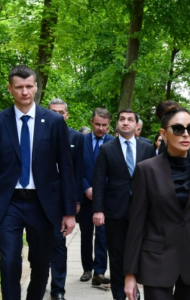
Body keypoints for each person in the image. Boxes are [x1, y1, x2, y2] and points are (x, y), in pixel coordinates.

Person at [0, 65, 76, 300]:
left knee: (42, 262)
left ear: (36, 88)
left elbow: (66, 168)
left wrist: (69, 212)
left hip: (43, 205)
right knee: (9, 260)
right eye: (19, 87)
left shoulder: (53, 122)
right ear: (10, 89)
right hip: (8, 203)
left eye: (29, 86)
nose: (25, 91)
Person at [124, 103, 190, 300]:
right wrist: (130, 274)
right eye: (178, 129)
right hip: (156, 260)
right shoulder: (146, 170)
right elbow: (136, 224)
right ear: (163, 133)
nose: (186, 134)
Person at [92, 109, 156, 300]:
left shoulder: (147, 148)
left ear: (137, 125)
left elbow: (155, 179)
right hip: (115, 211)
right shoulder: (107, 149)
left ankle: (138, 292)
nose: (125, 122)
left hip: (142, 210)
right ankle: (120, 296)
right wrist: (98, 209)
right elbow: (98, 181)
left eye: (130, 120)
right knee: (117, 257)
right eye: (122, 119)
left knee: (144, 255)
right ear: (117, 124)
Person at [47, 99, 85, 300]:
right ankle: (40, 278)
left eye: (61, 112)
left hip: (61, 200)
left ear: (67, 115)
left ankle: (58, 290)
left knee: (58, 244)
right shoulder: (38, 134)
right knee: (37, 245)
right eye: (53, 112)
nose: (58, 115)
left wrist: (75, 201)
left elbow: (78, 172)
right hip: (38, 199)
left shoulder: (77, 138)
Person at [80, 108, 113, 286]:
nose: (101, 128)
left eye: (104, 125)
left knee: (102, 235)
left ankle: (99, 271)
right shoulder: (81, 141)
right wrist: (86, 188)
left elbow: (115, 171)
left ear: (109, 126)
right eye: (98, 124)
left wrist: (98, 190)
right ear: (92, 122)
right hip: (85, 197)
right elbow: (76, 168)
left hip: (105, 198)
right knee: (86, 234)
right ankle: (87, 268)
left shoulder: (113, 143)